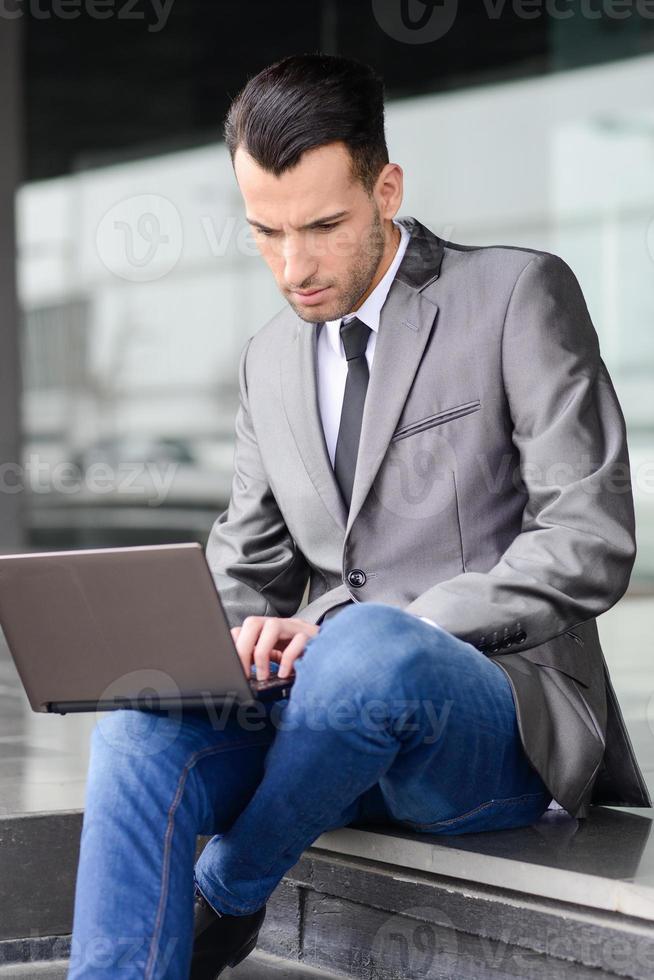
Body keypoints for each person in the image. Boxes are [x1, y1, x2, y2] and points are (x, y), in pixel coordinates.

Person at [68, 52, 650, 979]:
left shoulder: (513, 295)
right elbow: (248, 570)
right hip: (323, 736)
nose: (293, 266)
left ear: (386, 188)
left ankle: (229, 890)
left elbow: (589, 539)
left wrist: (383, 628)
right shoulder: (268, 360)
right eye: (265, 232)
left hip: (487, 729)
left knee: (369, 645)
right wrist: (224, 637)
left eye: (324, 226)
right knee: (137, 728)